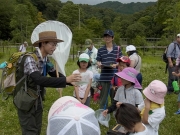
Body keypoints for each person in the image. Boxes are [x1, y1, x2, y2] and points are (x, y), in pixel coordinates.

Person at [16, 31, 81, 135]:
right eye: (52, 44)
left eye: (56, 45)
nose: (54, 47)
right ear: (43, 44)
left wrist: (70, 82)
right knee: (30, 131)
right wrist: (65, 80)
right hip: (25, 101)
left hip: (37, 100)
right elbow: (39, 79)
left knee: (37, 129)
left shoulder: (45, 59)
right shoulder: (30, 59)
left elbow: (54, 73)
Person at [96, 29, 123, 109]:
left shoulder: (117, 49)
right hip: (104, 77)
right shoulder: (100, 50)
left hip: (114, 77)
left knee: (115, 98)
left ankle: (115, 114)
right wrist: (99, 64)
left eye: (109, 36)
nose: (107, 38)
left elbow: (121, 62)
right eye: (105, 36)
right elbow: (98, 61)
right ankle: (103, 116)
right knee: (103, 98)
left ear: (112, 38)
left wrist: (116, 65)